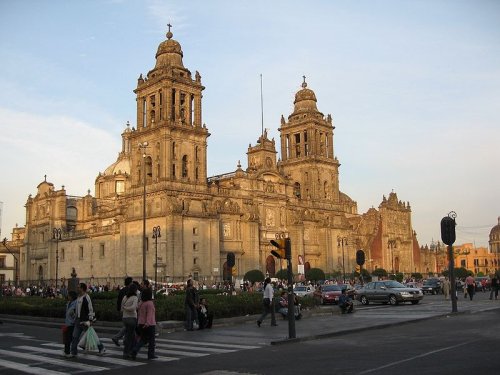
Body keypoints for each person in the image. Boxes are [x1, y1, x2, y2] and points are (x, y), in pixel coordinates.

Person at [70, 283, 105, 357]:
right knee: (75, 336)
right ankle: (73, 352)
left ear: (82, 288)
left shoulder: (87, 297)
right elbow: (78, 309)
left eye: (78, 287)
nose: (77, 288)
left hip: (85, 321)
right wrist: (74, 315)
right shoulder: (78, 297)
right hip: (78, 320)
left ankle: (101, 347)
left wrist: (90, 320)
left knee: (92, 336)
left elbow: (90, 309)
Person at [131, 288, 157, 360]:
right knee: (151, 340)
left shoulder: (141, 303)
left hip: (141, 323)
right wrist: (148, 323)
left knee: (143, 339)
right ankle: (151, 354)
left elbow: (139, 312)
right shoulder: (150, 303)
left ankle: (135, 349)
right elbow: (150, 314)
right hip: (149, 324)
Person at [112, 276, 133, 346]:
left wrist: (119, 310)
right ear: (130, 283)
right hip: (129, 311)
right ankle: (119, 338)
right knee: (128, 326)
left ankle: (120, 339)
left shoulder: (122, 290)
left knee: (127, 326)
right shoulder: (130, 291)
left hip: (123, 310)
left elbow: (119, 301)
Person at [121, 283, 138, 359]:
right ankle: (127, 352)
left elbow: (121, 308)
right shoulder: (135, 297)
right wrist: (127, 308)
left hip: (124, 318)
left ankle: (133, 351)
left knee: (132, 335)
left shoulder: (125, 297)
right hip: (132, 318)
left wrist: (124, 308)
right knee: (129, 336)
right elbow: (133, 308)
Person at [62, 291, 77, 357]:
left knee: (69, 338)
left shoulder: (76, 303)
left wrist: (73, 316)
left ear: (72, 296)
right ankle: (66, 351)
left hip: (72, 323)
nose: (68, 297)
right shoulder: (69, 303)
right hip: (67, 323)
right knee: (66, 338)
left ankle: (68, 352)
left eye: (69, 296)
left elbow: (76, 313)